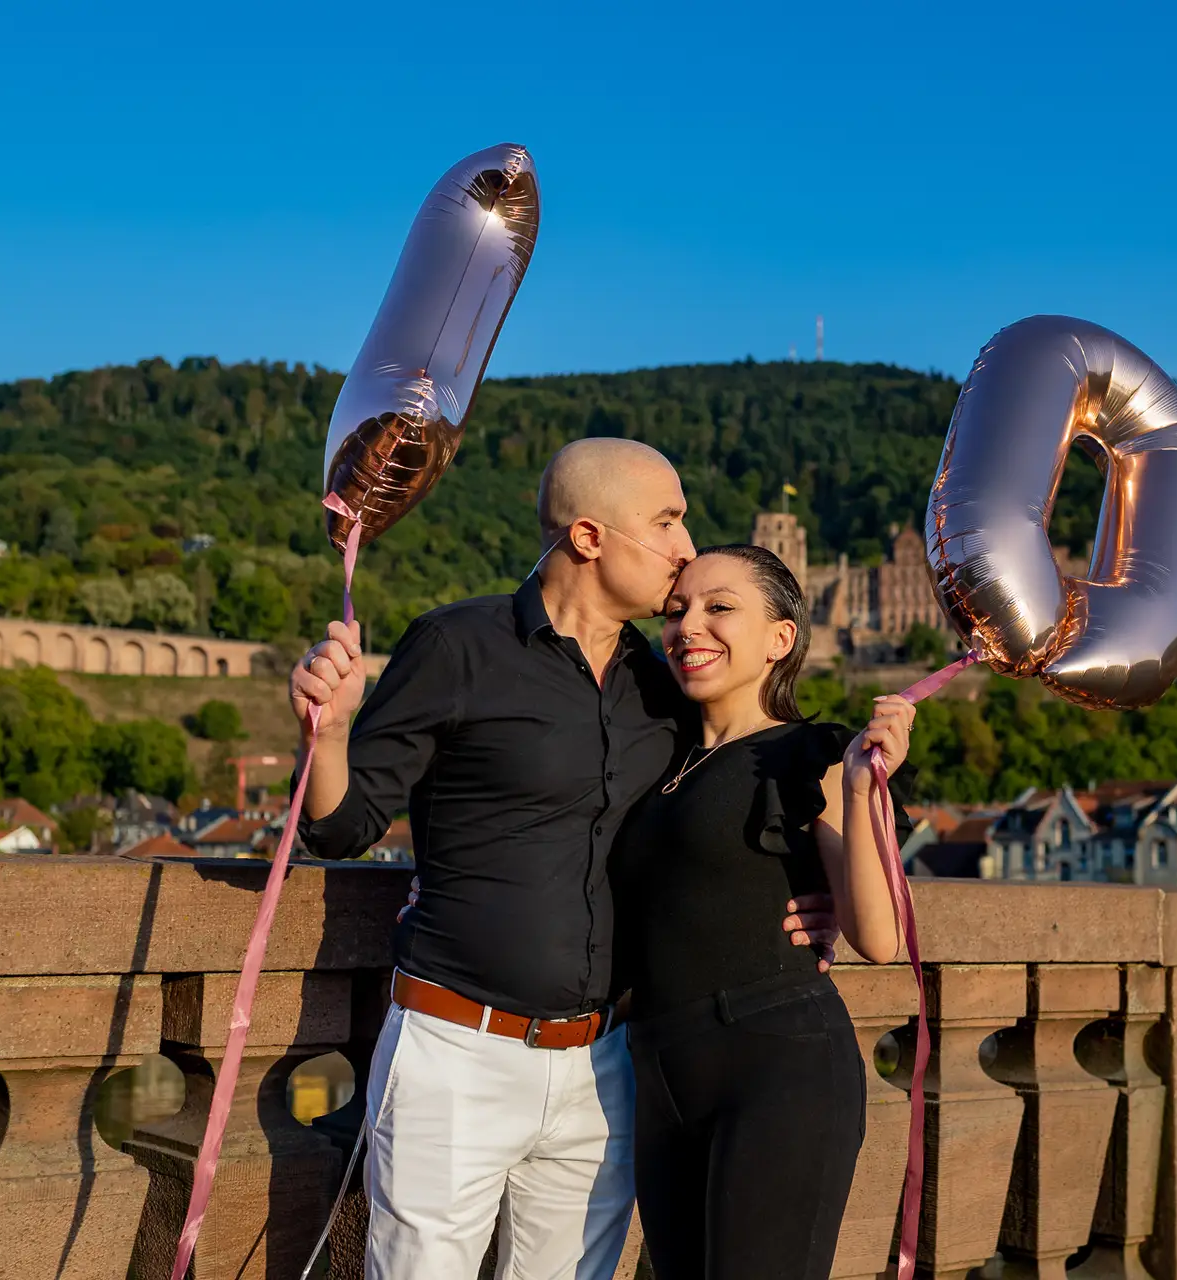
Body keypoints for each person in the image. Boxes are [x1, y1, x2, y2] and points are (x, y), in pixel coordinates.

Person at [287, 438, 838, 1280]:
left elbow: (724, 805)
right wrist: (326, 735)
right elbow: (340, 827)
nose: (686, 547)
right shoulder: (456, 646)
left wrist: (812, 887)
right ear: (590, 537)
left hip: (602, 1063)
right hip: (455, 1049)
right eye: (667, 521)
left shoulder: (662, 685)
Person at [608, 543, 915, 1280]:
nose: (688, 626)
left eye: (720, 608)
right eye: (678, 610)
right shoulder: (659, 766)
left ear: (781, 638)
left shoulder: (813, 752)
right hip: (659, 1077)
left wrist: (861, 792)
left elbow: (879, 938)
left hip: (776, 1066)